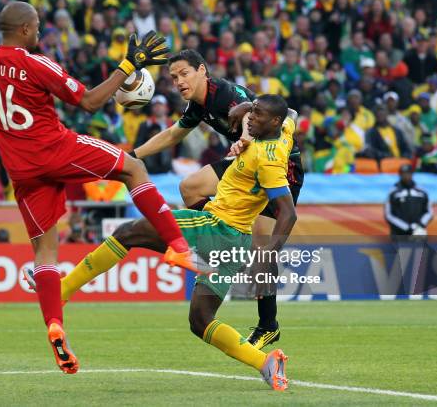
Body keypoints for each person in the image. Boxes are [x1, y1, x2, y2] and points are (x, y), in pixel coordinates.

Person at [0, 1, 191, 374]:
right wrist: (127, 67)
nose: (39, 33)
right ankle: (179, 247)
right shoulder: (37, 62)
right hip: (55, 149)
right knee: (133, 167)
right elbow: (89, 102)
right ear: (23, 29)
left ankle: (55, 325)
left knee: (45, 254)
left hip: (20, 169)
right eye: (36, 27)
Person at [48, 95, 296, 390]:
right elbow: (289, 111)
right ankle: (265, 362)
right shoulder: (285, 131)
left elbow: (288, 213)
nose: (252, 118)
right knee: (201, 321)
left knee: (130, 231)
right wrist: (246, 109)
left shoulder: (267, 159)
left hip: (216, 227)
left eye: (259, 115)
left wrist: (266, 257)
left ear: (274, 123)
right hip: (236, 242)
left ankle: (64, 289)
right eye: (253, 111)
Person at [130, 49, 304, 349]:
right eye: (173, 77)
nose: (179, 81)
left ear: (202, 70)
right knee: (190, 188)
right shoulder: (198, 105)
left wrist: (245, 138)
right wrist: (131, 157)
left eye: (184, 73)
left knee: (263, 248)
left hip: (280, 168)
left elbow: (279, 114)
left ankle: (268, 324)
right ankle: (216, 240)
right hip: (247, 163)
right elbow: (172, 135)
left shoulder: (224, 93)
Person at [384, 164, 433, 238]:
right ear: (400, 175)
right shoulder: (393, 192)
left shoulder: (422, 191)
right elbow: (389, 215)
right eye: (404, 173)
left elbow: (428, 212)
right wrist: (407, 227)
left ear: (412, 174)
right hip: (399, 233)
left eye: (408, 173)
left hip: (418, 232)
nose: (406, 176)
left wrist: (420, 225)